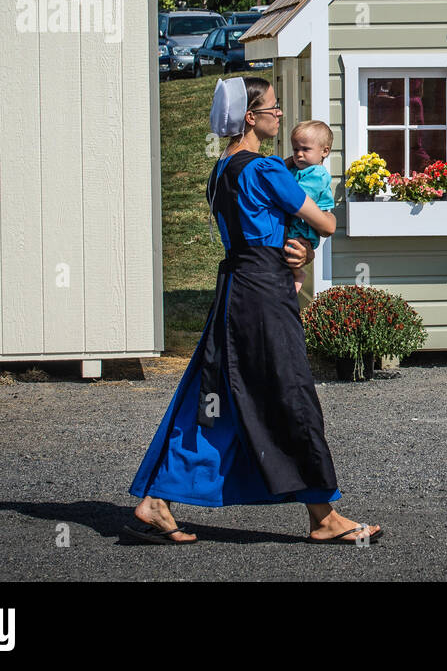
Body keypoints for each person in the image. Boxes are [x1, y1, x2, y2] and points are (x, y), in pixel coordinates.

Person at [127, 77, 383, 545]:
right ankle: (323, 517)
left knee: (215, 391)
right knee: (290, 392)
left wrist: (297, 253)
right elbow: (325, 221)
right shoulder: (266, 171)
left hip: (232, 289)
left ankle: (157, 498)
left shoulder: (220, 169)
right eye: (272, 107)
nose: (279, 114)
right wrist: (306, 247)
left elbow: (255, 230)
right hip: (265, 291)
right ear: (251, 117)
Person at [285, 120, 335, 299]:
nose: (299, 155)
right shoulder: (299, 169)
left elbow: (299, 196)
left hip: (306, 226)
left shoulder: (318, 174)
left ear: (325, 151)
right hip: (300, 220)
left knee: (292, 247)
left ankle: (298, 273)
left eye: (305, 149)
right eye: (295, 150)